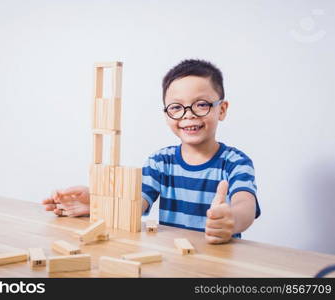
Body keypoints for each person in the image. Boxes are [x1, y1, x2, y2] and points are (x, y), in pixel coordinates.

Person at [43, 59, 260, 244]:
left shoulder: (235, 162)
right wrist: (95, 200)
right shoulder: (160, 161)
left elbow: (245, 206)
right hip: (176, 261)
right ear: (166, 113)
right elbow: (134, 204)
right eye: (176, 107)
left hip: (219, 262)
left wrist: (231, 220)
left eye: (201, 104)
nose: (188, 115)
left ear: (221, 109)